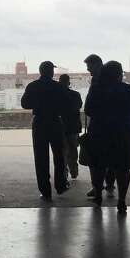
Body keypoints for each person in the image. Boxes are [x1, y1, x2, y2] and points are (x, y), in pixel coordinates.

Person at [86, 61, 130, 213]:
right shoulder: (128, 89)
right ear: (119, 74)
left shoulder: (96, 89)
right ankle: (122, 200)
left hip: (99, 133)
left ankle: (98, 195)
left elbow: (88, 110)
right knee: (122, 168)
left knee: (99, 166)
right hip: (123, 132)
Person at [21, 61, 70, 200]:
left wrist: (37, 103)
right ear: (51, 72)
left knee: (40, 157)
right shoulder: (58, 86)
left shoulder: (33, 86)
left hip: (39, 122)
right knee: (59, 156)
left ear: (40, 71)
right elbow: (66, 105)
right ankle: (60, 186)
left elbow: (24, 104)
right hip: (55, 121)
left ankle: (45, 191)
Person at [82, 53, 104, 198]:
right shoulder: (112, 79)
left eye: (90, 67)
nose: (89, 70)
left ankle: (97, 187)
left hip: (97, 124)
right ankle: (104, 184)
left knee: (94, 158)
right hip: (109, 125)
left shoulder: (97, 82)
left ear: (96, 65)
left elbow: (88, 108)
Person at [58, 74, 83, 180]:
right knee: (72, 150)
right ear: (69, 83)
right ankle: (74, 171)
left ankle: (64, 173)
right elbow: (78, 107)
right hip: (73, 127)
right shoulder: (75, 95)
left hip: (60, 127)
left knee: (62, 151)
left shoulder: (56, 96)